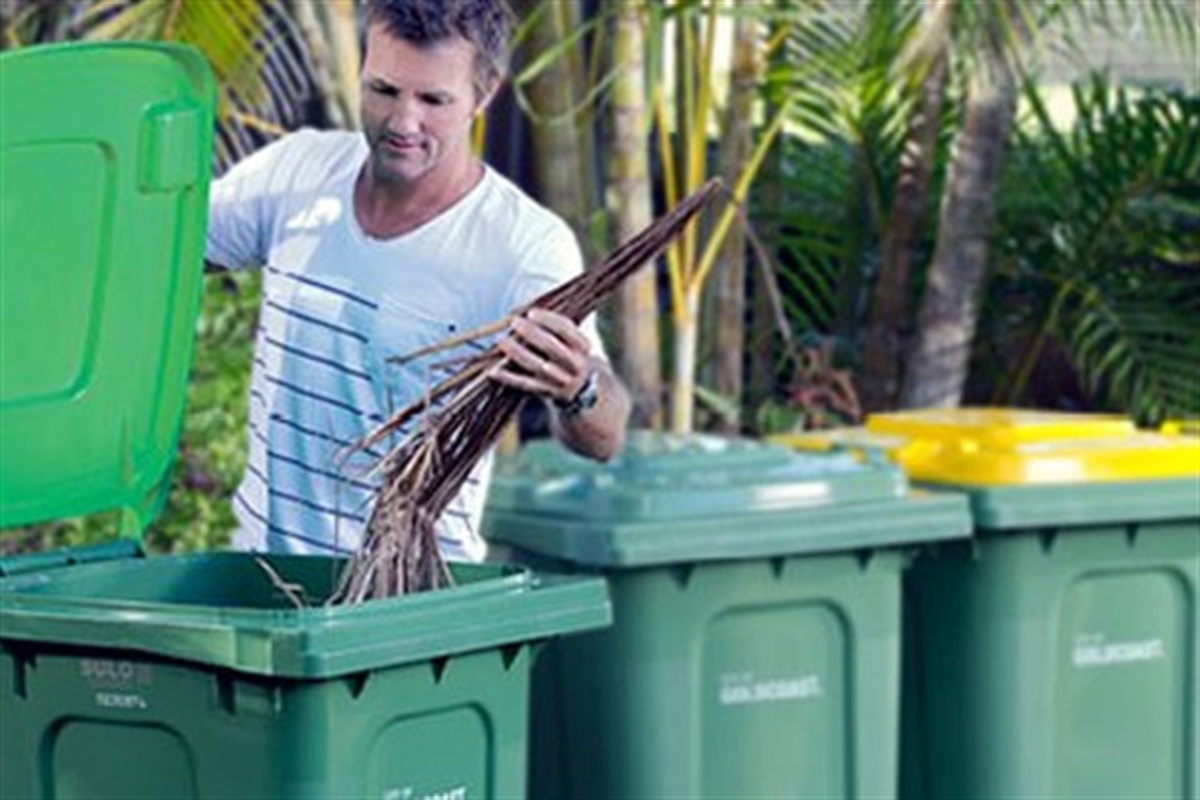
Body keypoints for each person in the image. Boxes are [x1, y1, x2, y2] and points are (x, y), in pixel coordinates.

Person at [205, 0, 631, 560]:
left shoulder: (520, 246)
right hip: (262, 577)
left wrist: (580, 389)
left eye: (433, 100)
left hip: (404, 596)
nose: (403, 122)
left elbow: (605, 437)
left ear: (483, 94)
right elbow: (158, 252)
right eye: (384, 90)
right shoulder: (297, 173)